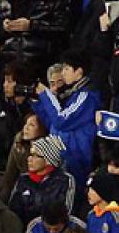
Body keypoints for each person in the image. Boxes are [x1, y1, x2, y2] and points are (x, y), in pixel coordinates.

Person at [31, 50, 99, 187]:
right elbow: (52, 124)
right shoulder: (70, 94)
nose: (63, 73)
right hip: (60, 155)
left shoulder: (86, 96)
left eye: (67, 69)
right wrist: (38, 102)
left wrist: (46, 95)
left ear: (79, 71)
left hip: (75, 159)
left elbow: (61, 121)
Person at [0, 0, 70, 78]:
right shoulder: (6, 1)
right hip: (11, 63)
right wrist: (4, 28)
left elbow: (63, 28)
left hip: (43, 62)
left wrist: (31, 26)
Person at [9, 135, 74, 225]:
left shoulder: (64, 180)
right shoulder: (23, 180)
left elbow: (65, 213)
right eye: (30, 154)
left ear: (49, 160)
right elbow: (13, 211)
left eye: (35, 156)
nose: (29, 159)